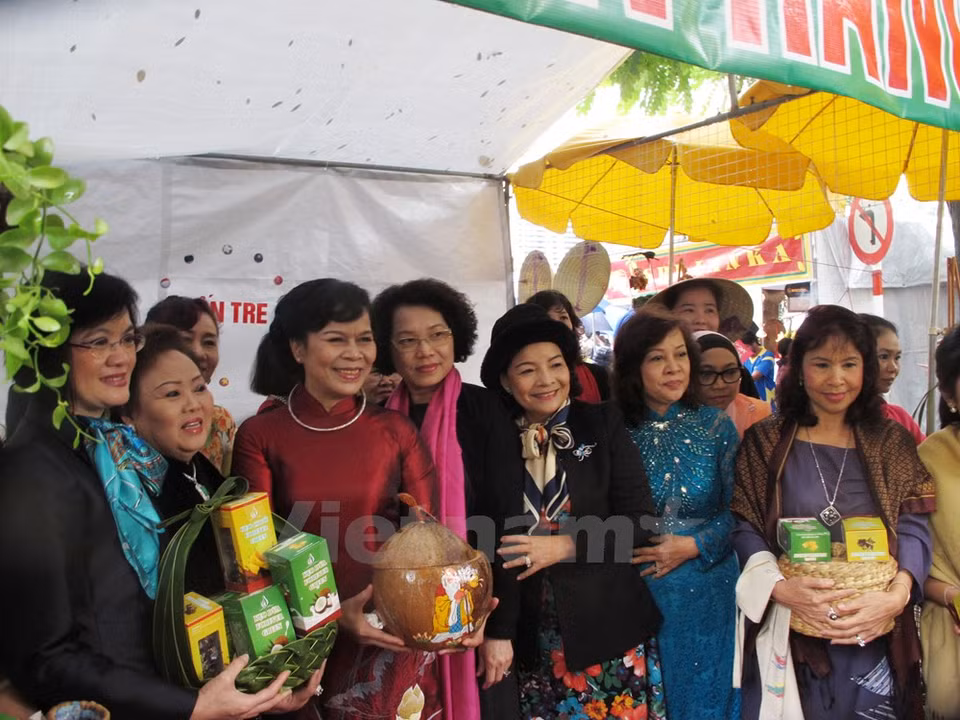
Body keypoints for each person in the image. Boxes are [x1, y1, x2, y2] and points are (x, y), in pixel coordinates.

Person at [0, 270, 305, 720]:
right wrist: (191, 706)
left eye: (127, 339)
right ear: (50, 351)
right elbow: (46, 658)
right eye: (98, 342)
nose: (121, 357)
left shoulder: (116, 452)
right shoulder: (33, 469)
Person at [233, 279, 445, 720]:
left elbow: (427, 542)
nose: (355, 354)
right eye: (336, 340)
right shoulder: (261, 435)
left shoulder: (397, 431)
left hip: (391, 639)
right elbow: (253, 559)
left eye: (364, 339)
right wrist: (328, 622)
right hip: (301, 648)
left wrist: (460, 604)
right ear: (297, 349)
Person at [732, 305, 935, 720]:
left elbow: (914, 519)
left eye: (849, 364)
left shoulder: (890, 440)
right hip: (791, 627)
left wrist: (896, 595)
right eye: (822, 364)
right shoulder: (767, 440)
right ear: (799, 367)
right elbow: (743, 521)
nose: (836, 379)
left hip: (874, 628)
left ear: (866, 368)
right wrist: (778, 588)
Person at [479, 304, 666, 720]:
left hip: (607, 631)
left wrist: (563, 545)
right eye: (527, 370)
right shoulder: (493, 442)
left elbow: (641, 523)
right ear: (506, 383)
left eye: (555, 364)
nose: (546, 380)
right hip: (528, 639)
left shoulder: (603, 423)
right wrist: (498, 630)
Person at [371, 278, 523, 718]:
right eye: (408, 340)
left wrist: (500, 630)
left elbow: (507, 518)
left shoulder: (484, 410)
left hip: (475, 618)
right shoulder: (379, 422)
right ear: (389, 348)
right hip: (399, 618)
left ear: (456, 337)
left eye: (438, 335)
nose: (425, 351)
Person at [613, 309, 741, 720]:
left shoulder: (716, 427)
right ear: (633, 367)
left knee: (708, 699)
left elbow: (738, 510)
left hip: (710, 588)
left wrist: (694, 545)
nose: (674, 368)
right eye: (657, 358)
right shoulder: (612, 430)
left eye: (681, 355)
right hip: (636, 590)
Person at [917, 325, 960, 719]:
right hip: (951, 623)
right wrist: (952, 598)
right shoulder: (928, 459)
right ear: (949, 394)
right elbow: (911, 559)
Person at [146, 296, 237, 475]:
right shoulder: (112, 438)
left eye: (209, 342)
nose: (198, 352)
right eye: (184, 340)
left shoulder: (220, 421)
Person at [525, 290, 609, 402]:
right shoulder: (525, 382)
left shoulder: (598, 375)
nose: (558, 325)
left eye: (563, 317)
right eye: (548, 319)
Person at [859, 314, 925, 444]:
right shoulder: (835, 421)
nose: (893, 368)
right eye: (883, 356)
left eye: (897, 358)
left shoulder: (900, 417)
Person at [693, 330, 770, 439]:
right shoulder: (670, 423)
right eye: (706, 374)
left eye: (730, 372)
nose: (720, 385)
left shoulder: (760, 416)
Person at [742, 329, 776, 404]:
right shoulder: (745, 358)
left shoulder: (768, 356)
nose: (745, 350)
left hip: (765, 399)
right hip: (751, 400)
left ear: (754, 343)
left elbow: (755, 376)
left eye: (747, 347)